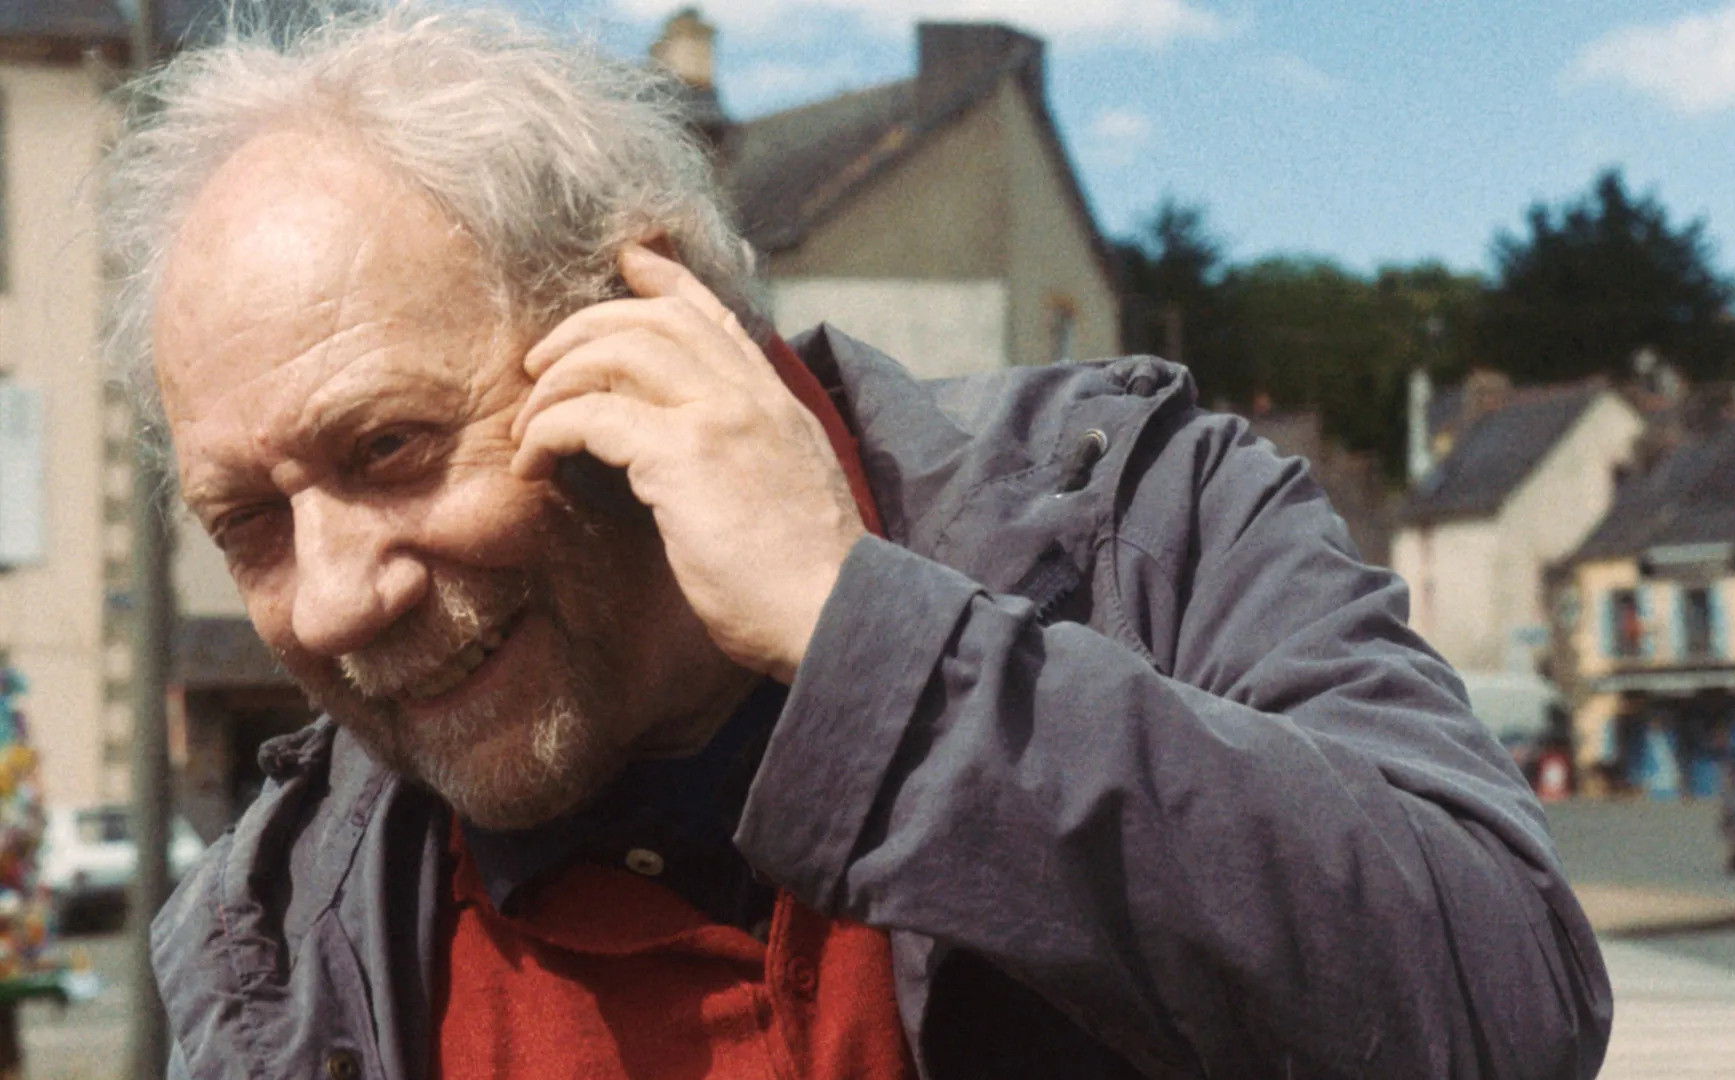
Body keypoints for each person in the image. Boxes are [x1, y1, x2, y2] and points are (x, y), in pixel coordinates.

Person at [107, 4, 1610, 1078]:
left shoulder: (1135, 520)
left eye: (393, 449)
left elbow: (1506, 1004)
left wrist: (863, 638)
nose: (332, 596)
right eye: (249, 520)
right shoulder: (278, 934)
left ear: (662, 323)